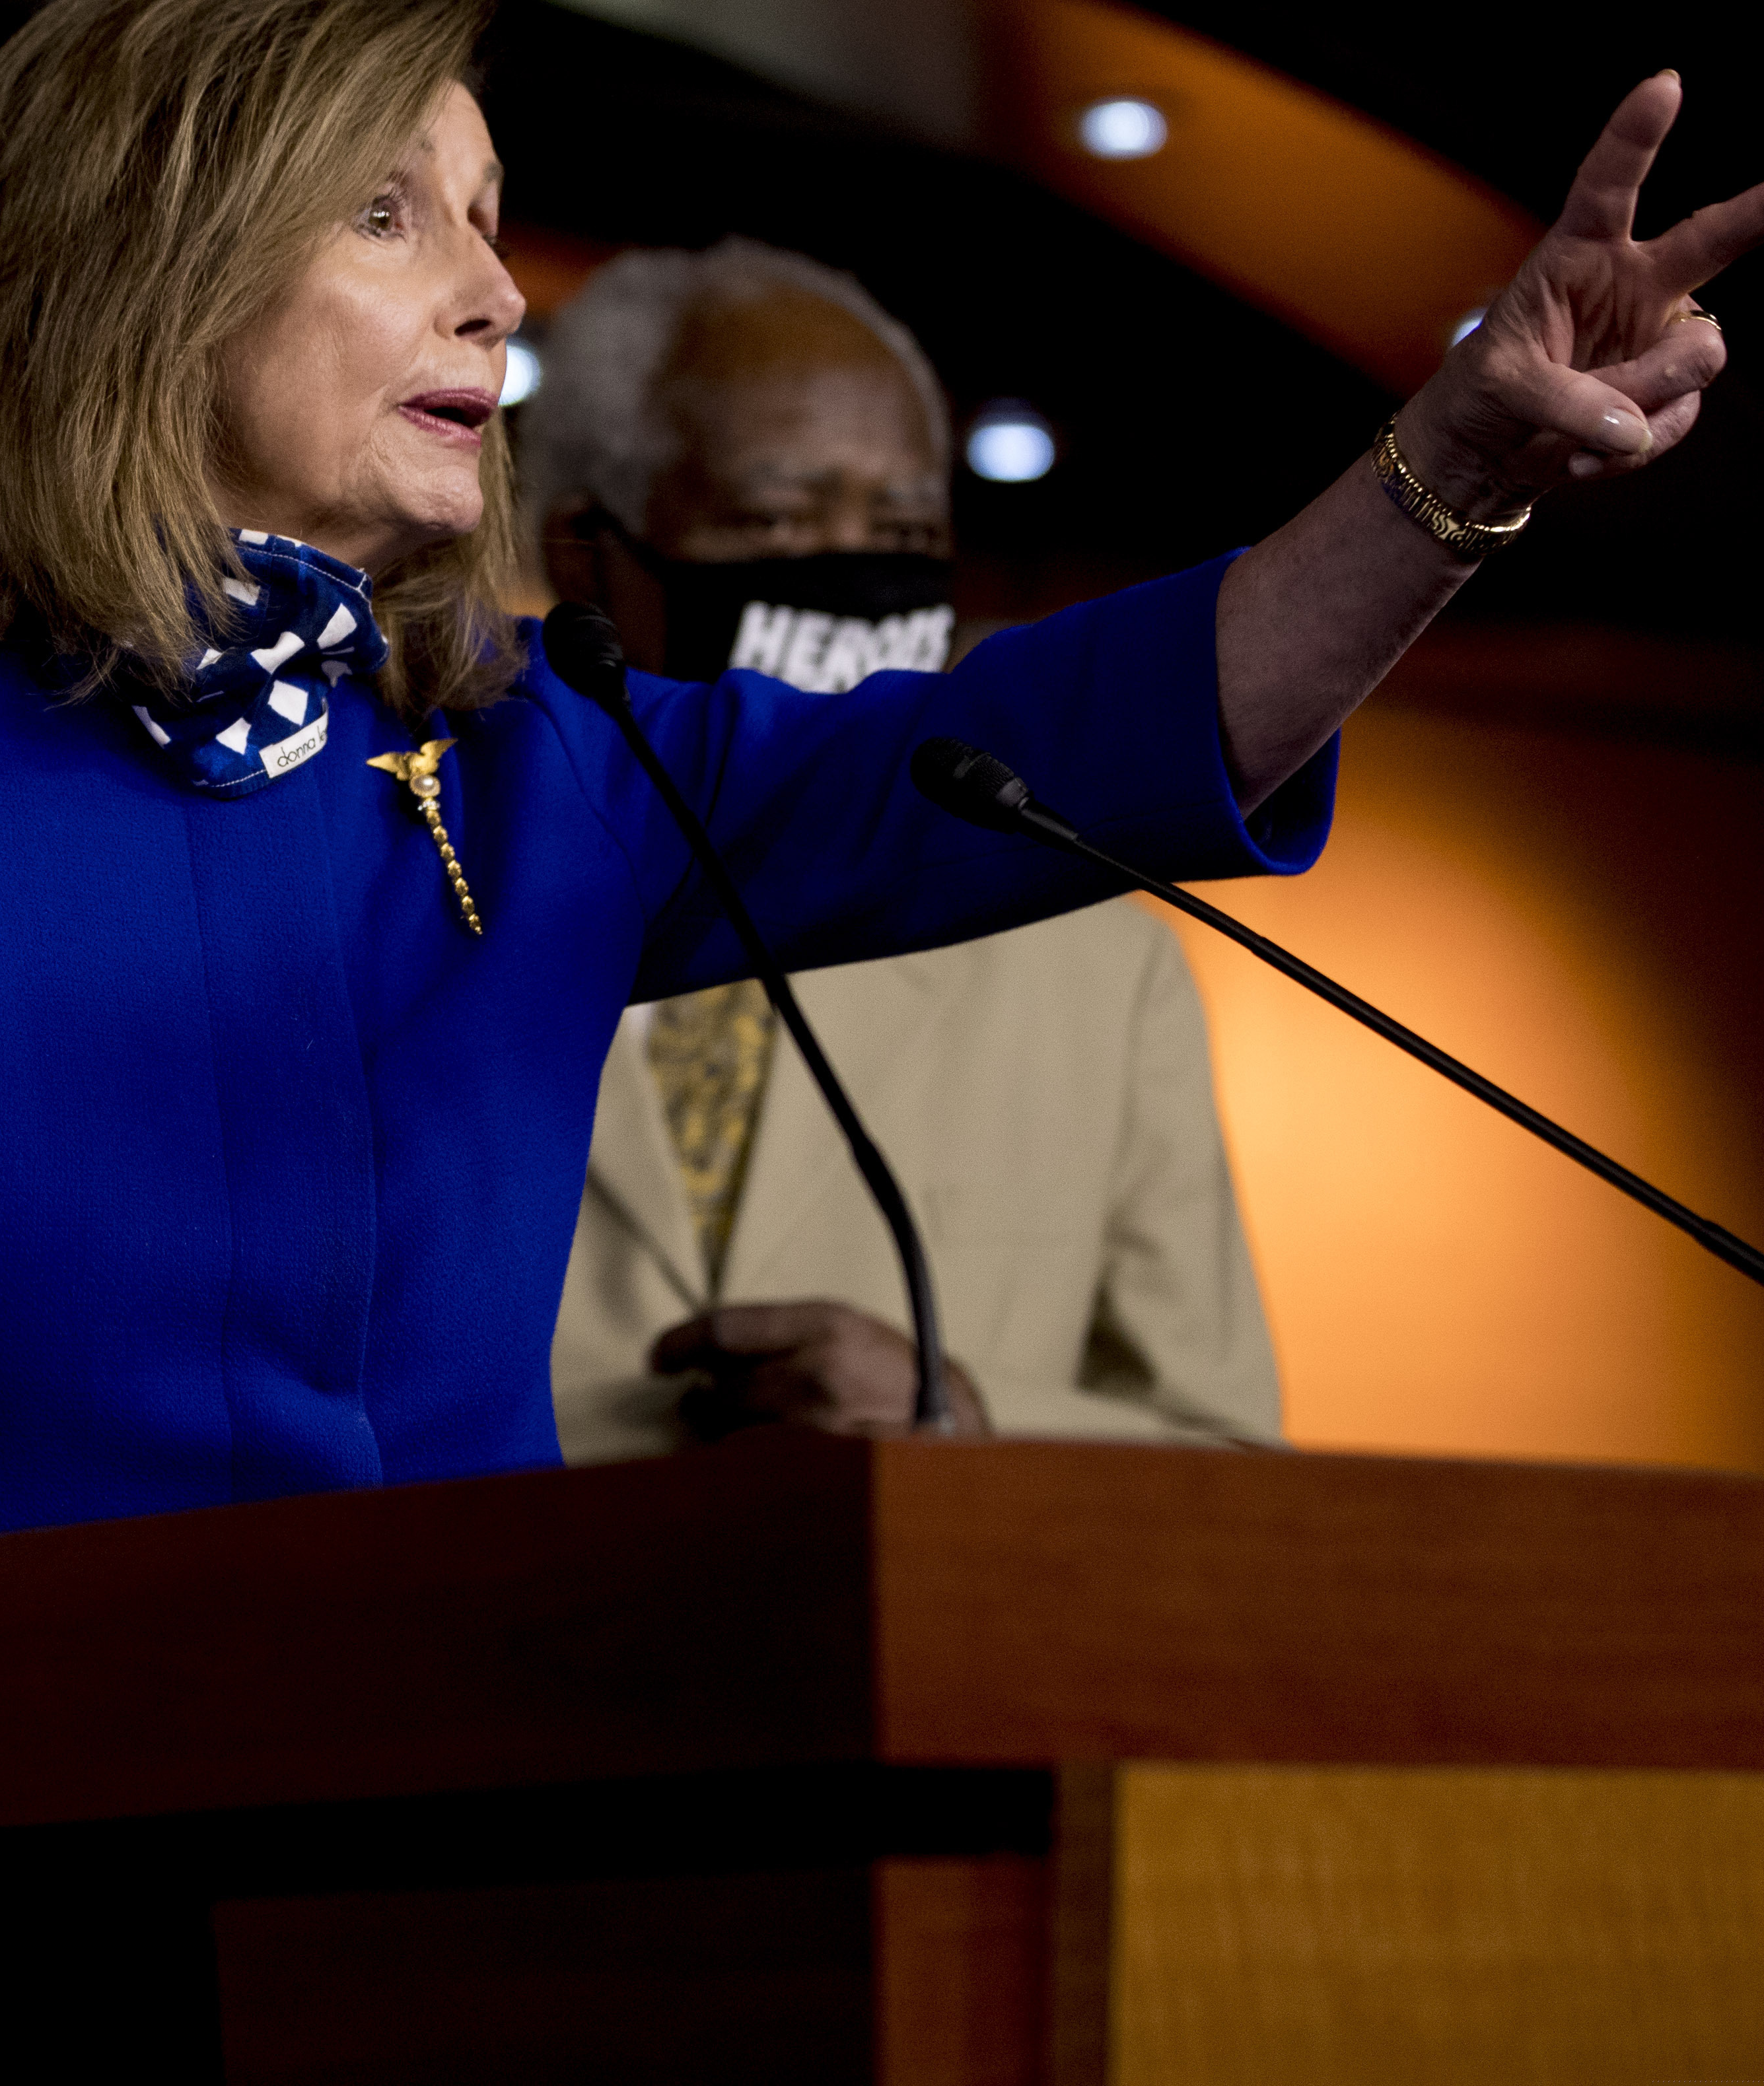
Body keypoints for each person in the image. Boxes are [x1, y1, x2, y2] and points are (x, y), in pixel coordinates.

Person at [0, 0, 1764, 2062]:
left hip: (448, 1925)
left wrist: (1456, 457)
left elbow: (1110, 729)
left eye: (494, 224)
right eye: (396, 212)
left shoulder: (548, 748)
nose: (501, 299)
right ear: (138, 252)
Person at [525, 242, 1279, 1453]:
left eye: (904, 524)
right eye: (776, 515)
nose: (852, 565)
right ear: (587, 553)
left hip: (930, 1625)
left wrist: (965, 1415)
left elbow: (1229, 1458)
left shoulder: (1099, 971)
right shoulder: (424, 891)